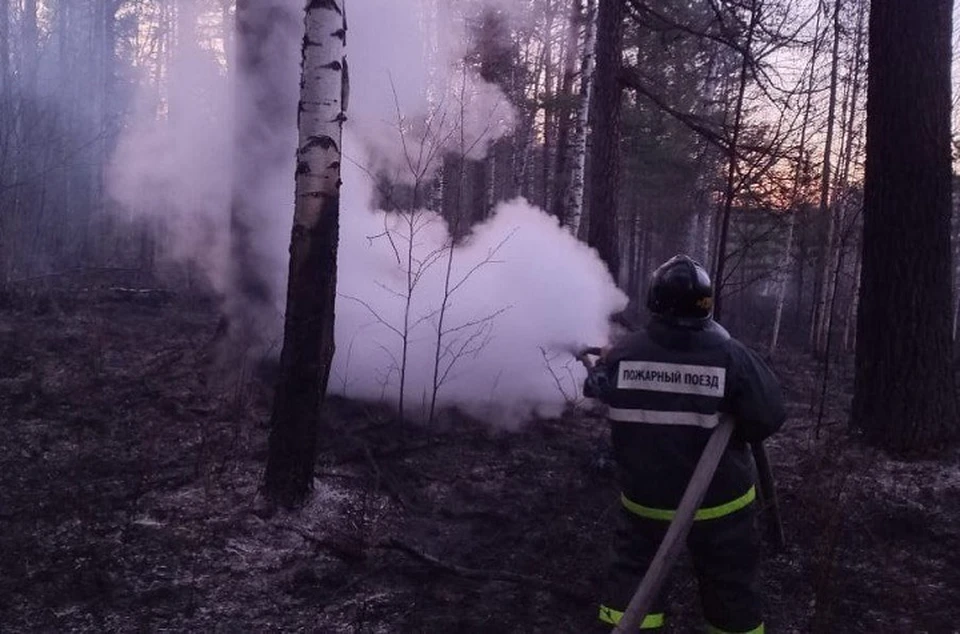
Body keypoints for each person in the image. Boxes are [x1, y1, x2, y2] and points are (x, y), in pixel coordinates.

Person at [583, 254, 786, 633]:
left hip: (645, 508)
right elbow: (769, 416)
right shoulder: (731, 356)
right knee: (731, 594)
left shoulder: (624, 354)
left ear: (655, 301)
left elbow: (597, 389)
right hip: (721, 509)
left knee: (630, 589)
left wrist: (615, 359)